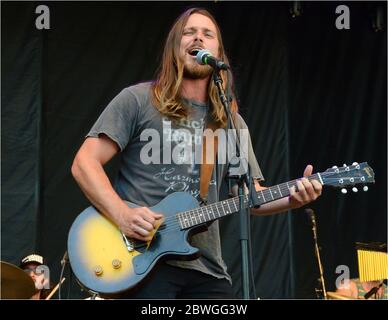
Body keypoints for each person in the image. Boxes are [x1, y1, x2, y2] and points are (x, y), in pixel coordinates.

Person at [71, 7, 322, 299]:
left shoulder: (231, 121)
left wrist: (293, 198)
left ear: (218, 53)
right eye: (189, 32)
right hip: (141, 263)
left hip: (206, 268)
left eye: (207, 34)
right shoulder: (138, 100)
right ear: (175, 48)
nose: (198, 38)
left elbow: (250, 197)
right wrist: (123, 215)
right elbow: (84, 163)